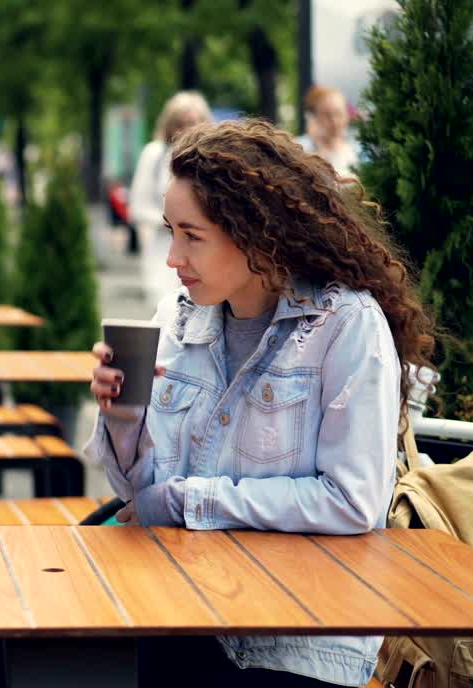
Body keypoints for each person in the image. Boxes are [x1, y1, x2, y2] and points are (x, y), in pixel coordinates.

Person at [86, 119, 435, 687]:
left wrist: (190, 501)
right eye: (171, 231)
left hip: (298, 641)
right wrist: (123, 419)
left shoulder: (345, 325)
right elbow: (138, 496)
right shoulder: (179, 317)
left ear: (255, 232)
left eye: (191, 236)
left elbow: (351, 501)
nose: (173, 257)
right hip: (183, 611)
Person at [128, 91, 213, 298]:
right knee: (166, 306)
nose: (188, 130)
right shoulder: (154, 154)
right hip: (163, 248)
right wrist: (175, 222)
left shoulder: (211, 158)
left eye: (195, 122)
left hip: (203, 249)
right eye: (181, 123)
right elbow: (137, 207)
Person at [297, 85, 360, 177]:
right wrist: (318, 145)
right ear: (314, 118)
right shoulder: (301, 148)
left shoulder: (357, 148)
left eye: (338, 113)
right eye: (327, 115)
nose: (334, 121)